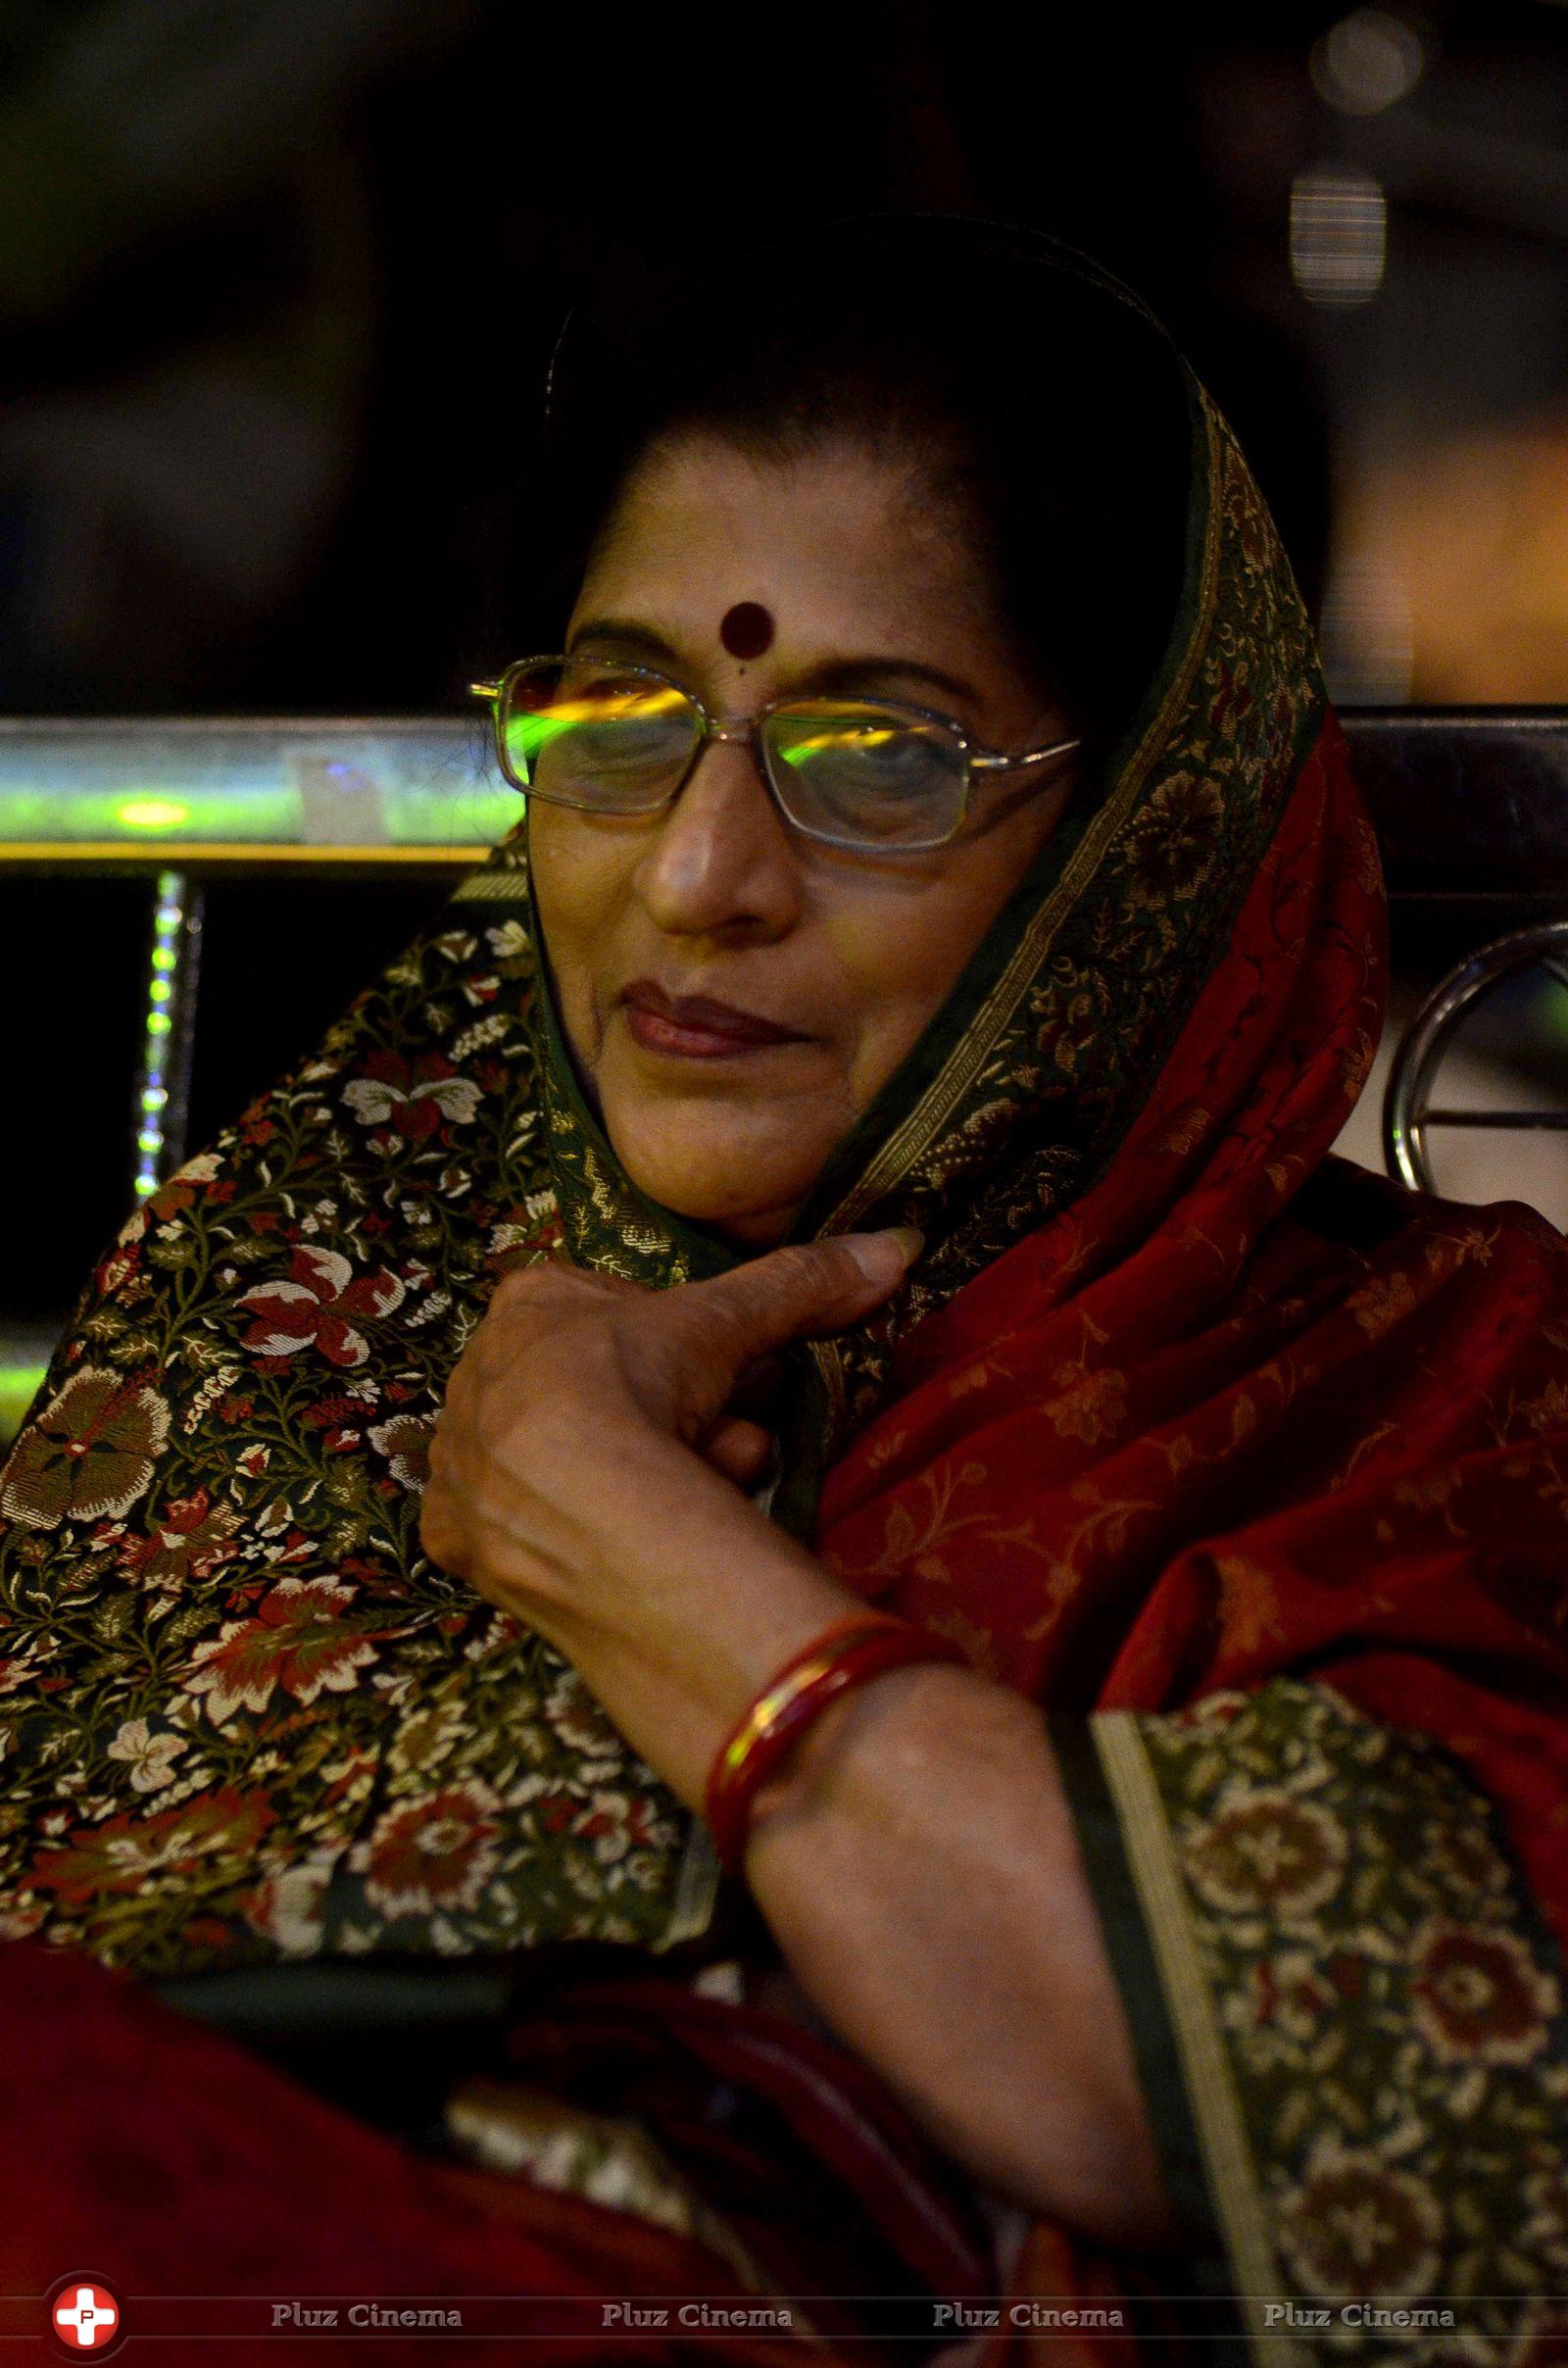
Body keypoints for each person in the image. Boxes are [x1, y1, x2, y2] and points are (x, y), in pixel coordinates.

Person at [2, 215, 1567, 2368]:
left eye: (879, 755)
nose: (698, 873)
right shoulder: (323, 1256)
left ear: (1145, 816)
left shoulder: (1405, 1395)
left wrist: (610, 1528)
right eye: (621, 718)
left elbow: (1403, 2149)